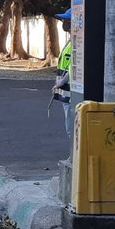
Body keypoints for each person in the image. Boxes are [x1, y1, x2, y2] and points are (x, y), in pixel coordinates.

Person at [51, 9, 73, 138]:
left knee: (71, 127)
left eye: (66, 20)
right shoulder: (71, 41)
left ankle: (73, 157)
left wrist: (62, 81)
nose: (63, 22)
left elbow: (74, 66)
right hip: (65, 90)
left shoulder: (76, 42)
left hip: (70, 91)